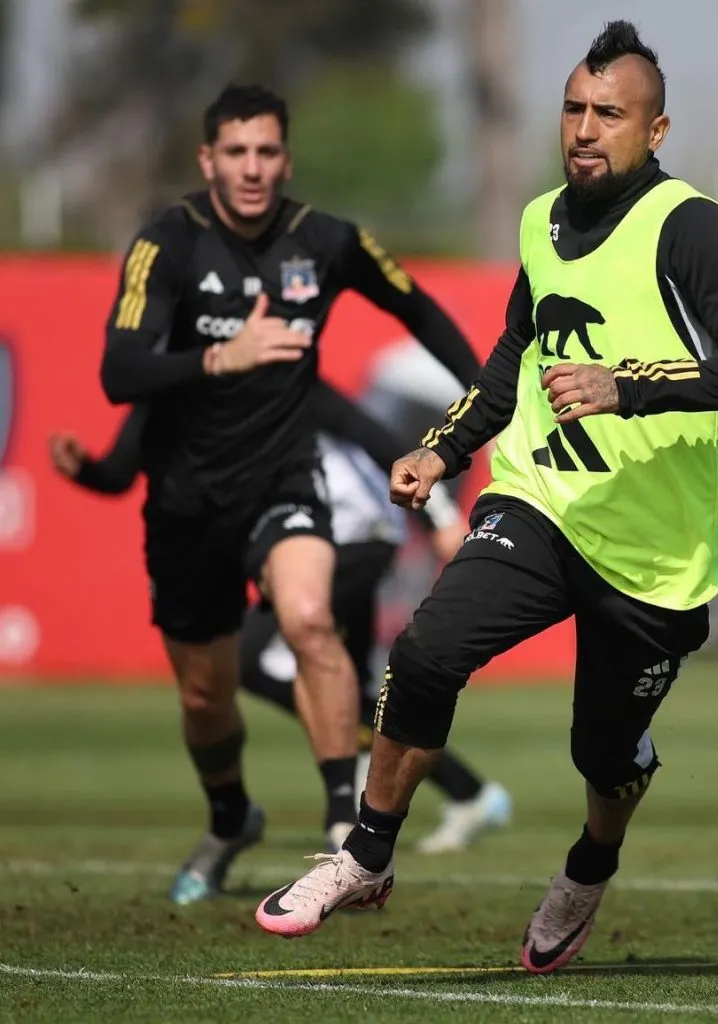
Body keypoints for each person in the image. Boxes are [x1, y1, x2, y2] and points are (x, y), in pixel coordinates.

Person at [256, 20, 718, 967]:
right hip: (541, 504)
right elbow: (517, 351)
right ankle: (367, 855)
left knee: (605, 758)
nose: (585, 129)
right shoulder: (541, 220)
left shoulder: (695, 228)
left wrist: (627, 387)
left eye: (610, 114)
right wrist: (444, 449)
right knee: (425, 653)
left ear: (656, 131)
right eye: (574, 108)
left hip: (657, 555)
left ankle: (591, 863)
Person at [96, 82, 480, 903]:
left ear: (286, 160)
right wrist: (218, 357)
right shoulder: (166, 243)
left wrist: (490, 398)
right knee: (206, 694)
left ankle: (345, 827)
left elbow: (417, 308)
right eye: (236, 152)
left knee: (309, 617)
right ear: (207, 160)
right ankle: (231, 817)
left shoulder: (327, 239)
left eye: (266, 152)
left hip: (284, 477)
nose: (252, 168)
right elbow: (119, 371)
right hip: (187, 501)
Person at [50, 383, 512, 856]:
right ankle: (465, 792)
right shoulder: (173, 389)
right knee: (347, 687)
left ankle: (387, 780)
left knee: (256, 659)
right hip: (319, 539)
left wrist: (439, 519)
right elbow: (121, 467)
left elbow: (377, 440)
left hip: (353, 535)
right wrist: (84, 468)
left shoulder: (284, 379)